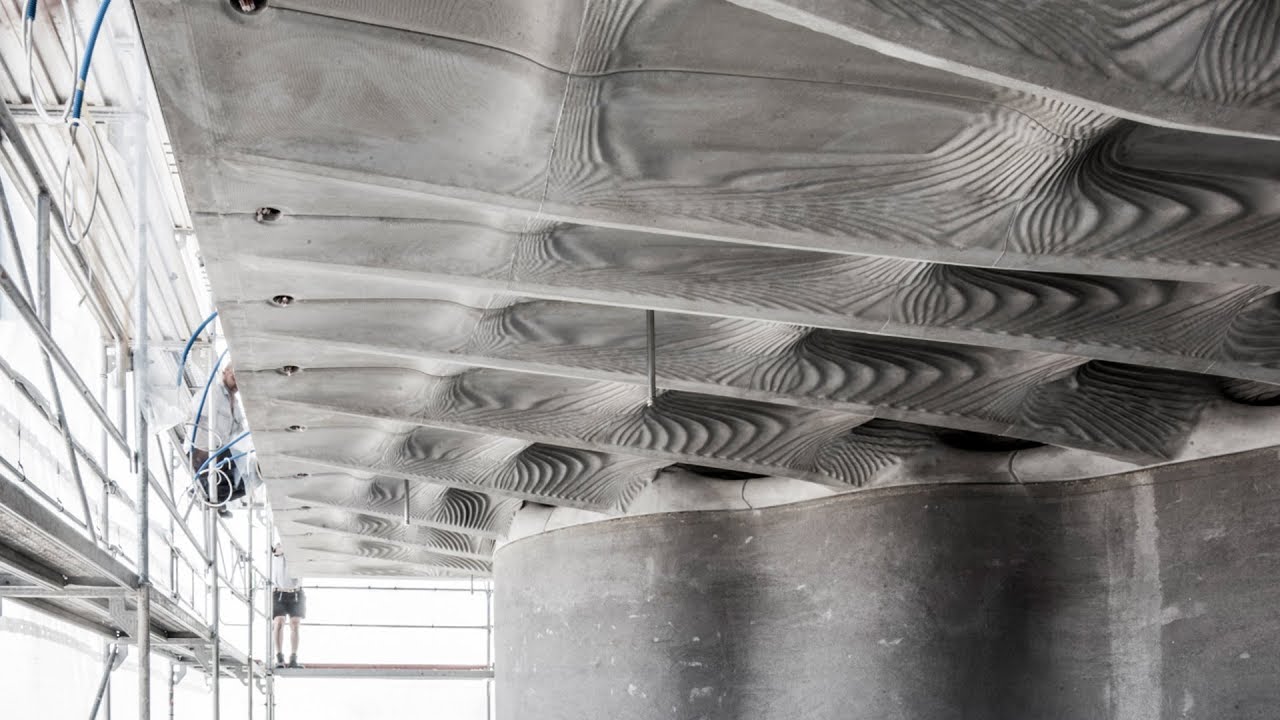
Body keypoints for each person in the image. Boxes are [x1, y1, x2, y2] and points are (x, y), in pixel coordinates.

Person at [188, 363, 257, 517]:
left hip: (221, 452)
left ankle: (213, 496)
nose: (237, 382)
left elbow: (238, 435)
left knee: (253, 475)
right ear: (225, 372)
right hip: (203, 451)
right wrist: (204, 449)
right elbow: (197, 418)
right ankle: (207, 491)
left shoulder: (236, 405)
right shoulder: (213, 393)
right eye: (234, 377)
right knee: (246, 469)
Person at [272, 543, 305, 668]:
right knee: (279, 621)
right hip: (279, 592)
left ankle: (293, 658)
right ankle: (279, 658)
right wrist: (291, 548)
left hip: (296, 592)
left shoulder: (299, 549)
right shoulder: (279, 545)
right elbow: (276, 551)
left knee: (295, 624)